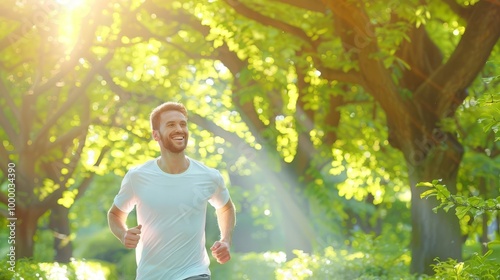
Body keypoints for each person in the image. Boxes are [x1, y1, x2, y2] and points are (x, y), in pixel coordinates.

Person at [107, 101, 236, 280]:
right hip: (150, 275)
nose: (179, 129)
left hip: (194, 272)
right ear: (156, 135)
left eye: (183, 124)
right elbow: (114, 214)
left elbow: (226, 207)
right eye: (171, 124)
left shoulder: (208, 176)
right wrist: (123, 234)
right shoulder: (138, 176)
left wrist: (226, 240)